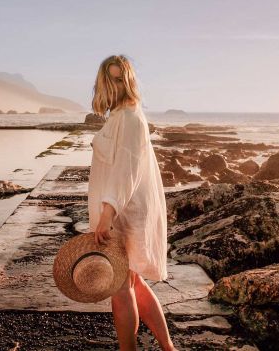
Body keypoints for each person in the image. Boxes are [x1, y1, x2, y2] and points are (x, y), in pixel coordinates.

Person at [87, 55, 178, 351]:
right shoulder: (122, 114)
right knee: (132, 284)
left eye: (120, 79)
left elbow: (126, 169)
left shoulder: (127, 117)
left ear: (128, 81)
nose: (116, 85)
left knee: (120, 288)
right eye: (111, 79)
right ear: (102, 82)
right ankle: (168, 348)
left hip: (122, 213)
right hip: (122, 210)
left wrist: (107, 213)